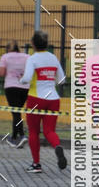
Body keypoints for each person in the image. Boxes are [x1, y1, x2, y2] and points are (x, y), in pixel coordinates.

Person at [19, 31, 67, 173]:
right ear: (46, 44)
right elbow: (62, 79)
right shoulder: (53, 57)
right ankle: (57, 146)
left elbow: (27, 78)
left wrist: (20, 79)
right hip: (53, 98)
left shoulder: (32, 58)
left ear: (33, 44)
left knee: (33, 132)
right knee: (49, 131)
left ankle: (36, 164)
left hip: (36, 98)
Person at [0, 41, 29, 147]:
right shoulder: (27, 56)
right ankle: (14, 137)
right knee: (17, 112)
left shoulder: (5, 57)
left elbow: (2, 73)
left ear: (8, 49)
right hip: (25, 87)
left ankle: (21, 136)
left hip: (11, 86)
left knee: (15, 112)